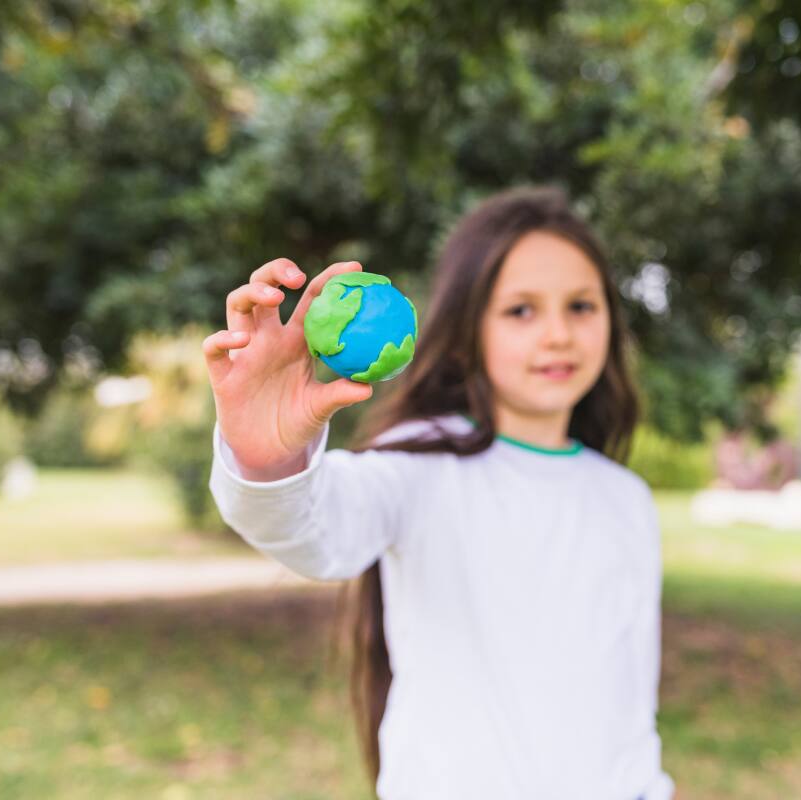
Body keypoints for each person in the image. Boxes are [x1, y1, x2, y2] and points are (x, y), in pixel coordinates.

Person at [204, 185, 676, 800]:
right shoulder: (418, 464)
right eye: (521, 311)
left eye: (581, 306)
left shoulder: (626, 499)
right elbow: (313, 533)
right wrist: (268, 457)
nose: (559, 334)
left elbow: (627, 698)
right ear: (464, 330)